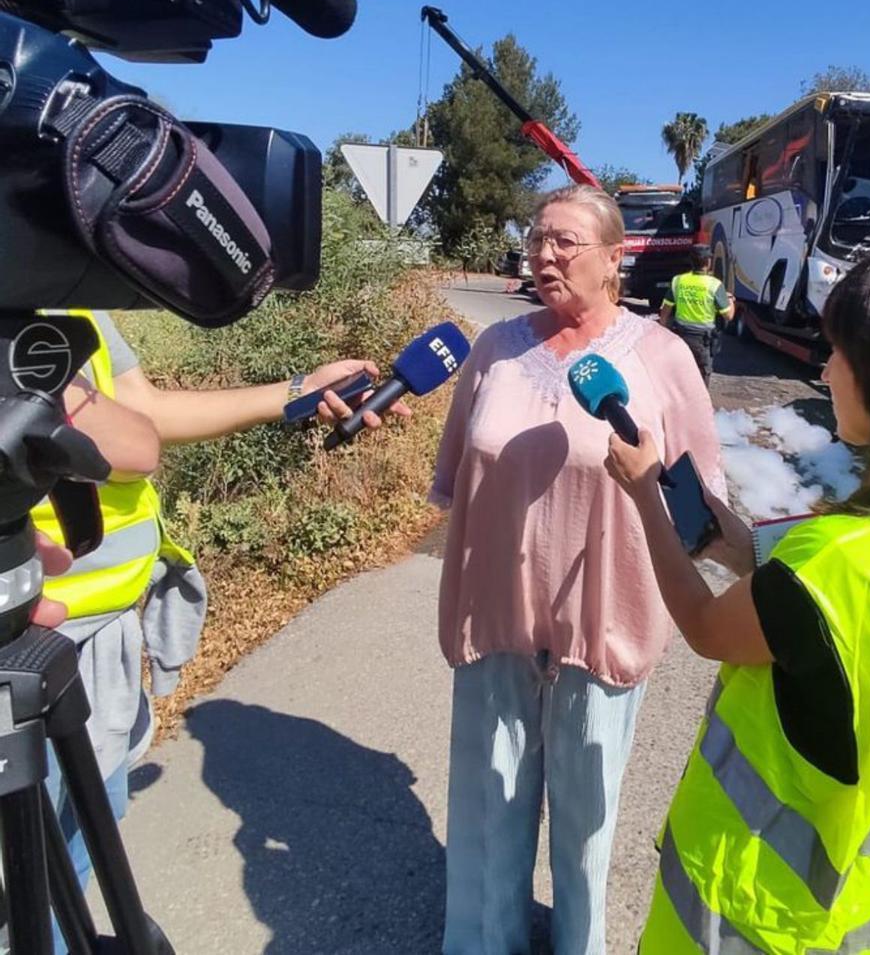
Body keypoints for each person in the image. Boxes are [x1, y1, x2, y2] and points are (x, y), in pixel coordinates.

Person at [606, 247, 870, 953]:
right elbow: (809, 606)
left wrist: (644, 495)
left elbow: (709, 627)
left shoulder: (837, 562)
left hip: (753, 914)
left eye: (840, 354)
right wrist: (720, 534)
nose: (826, 371)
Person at [29, 309, 404, 954]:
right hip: (29, 646)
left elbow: (145, 408)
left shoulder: (60, 292)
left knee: (75, 850)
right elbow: (133, 444)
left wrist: (297, 391)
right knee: (24, 880)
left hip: (100, 639)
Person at [428, 184, 726, 955]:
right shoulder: (496, 349)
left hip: (606, 619)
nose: (544, 253)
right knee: (488, 802)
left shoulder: (661, 357)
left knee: (587, 818)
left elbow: (702, 503)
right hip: (497, 609)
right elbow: (457, 472)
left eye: (565, 241)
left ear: (613, 258)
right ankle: (484, 942)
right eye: (537, 238)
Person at [658, 245, 735, 385]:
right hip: (702, 340)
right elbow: (728, 316)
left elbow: (665, 311)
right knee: (702, 379)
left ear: (691, 261)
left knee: (680, 375)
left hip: (681, 336)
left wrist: (664, 333)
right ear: (708, 261)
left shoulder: (678, 281)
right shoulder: (714, 285)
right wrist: (729, 299)